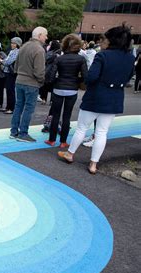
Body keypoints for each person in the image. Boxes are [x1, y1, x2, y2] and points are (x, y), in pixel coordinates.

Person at [57, 24, 135, 174]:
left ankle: (70, 153)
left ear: (112, 40)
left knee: (82, 127)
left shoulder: (103, 55)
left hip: (95, 97)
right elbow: (128, 78)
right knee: (102, 132)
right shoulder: (130, 58)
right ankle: (93, 164)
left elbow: (91, 77)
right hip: (114, 98)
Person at [44, 34, 87, 148]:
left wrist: (55, 82)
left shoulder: (59, 59)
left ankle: (51, 140)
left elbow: (51, 76)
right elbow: (85, 76)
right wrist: (77, 81)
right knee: (67, 116)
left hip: (58, 88)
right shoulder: (81, 59)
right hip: (72, 89)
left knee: (55, 115)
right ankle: (63, 141)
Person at [10, 26, 48, 142]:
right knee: (28, 108)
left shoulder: (23, 47)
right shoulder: (39, 49)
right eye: (45, 35)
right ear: (40, 35)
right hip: (31, 83)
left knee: (18, 107)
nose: (46, 37)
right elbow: (39, 71)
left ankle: (14, 131)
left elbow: (15, 67)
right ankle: (23, 133)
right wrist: (41, 82)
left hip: (19, 80)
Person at [0, 37, 22, 114]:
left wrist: (0, 60)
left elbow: (8, 62)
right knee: (9, 90)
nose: (12, 44)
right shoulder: (12, 51)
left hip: (11, 73)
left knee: (11, 90)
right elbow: (7, 60)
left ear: (17, 44)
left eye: (14, 43)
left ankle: (12, 108)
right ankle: (8, 107)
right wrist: (4, 61)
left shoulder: (17, 52)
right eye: (12, 43)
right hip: (8, 72)